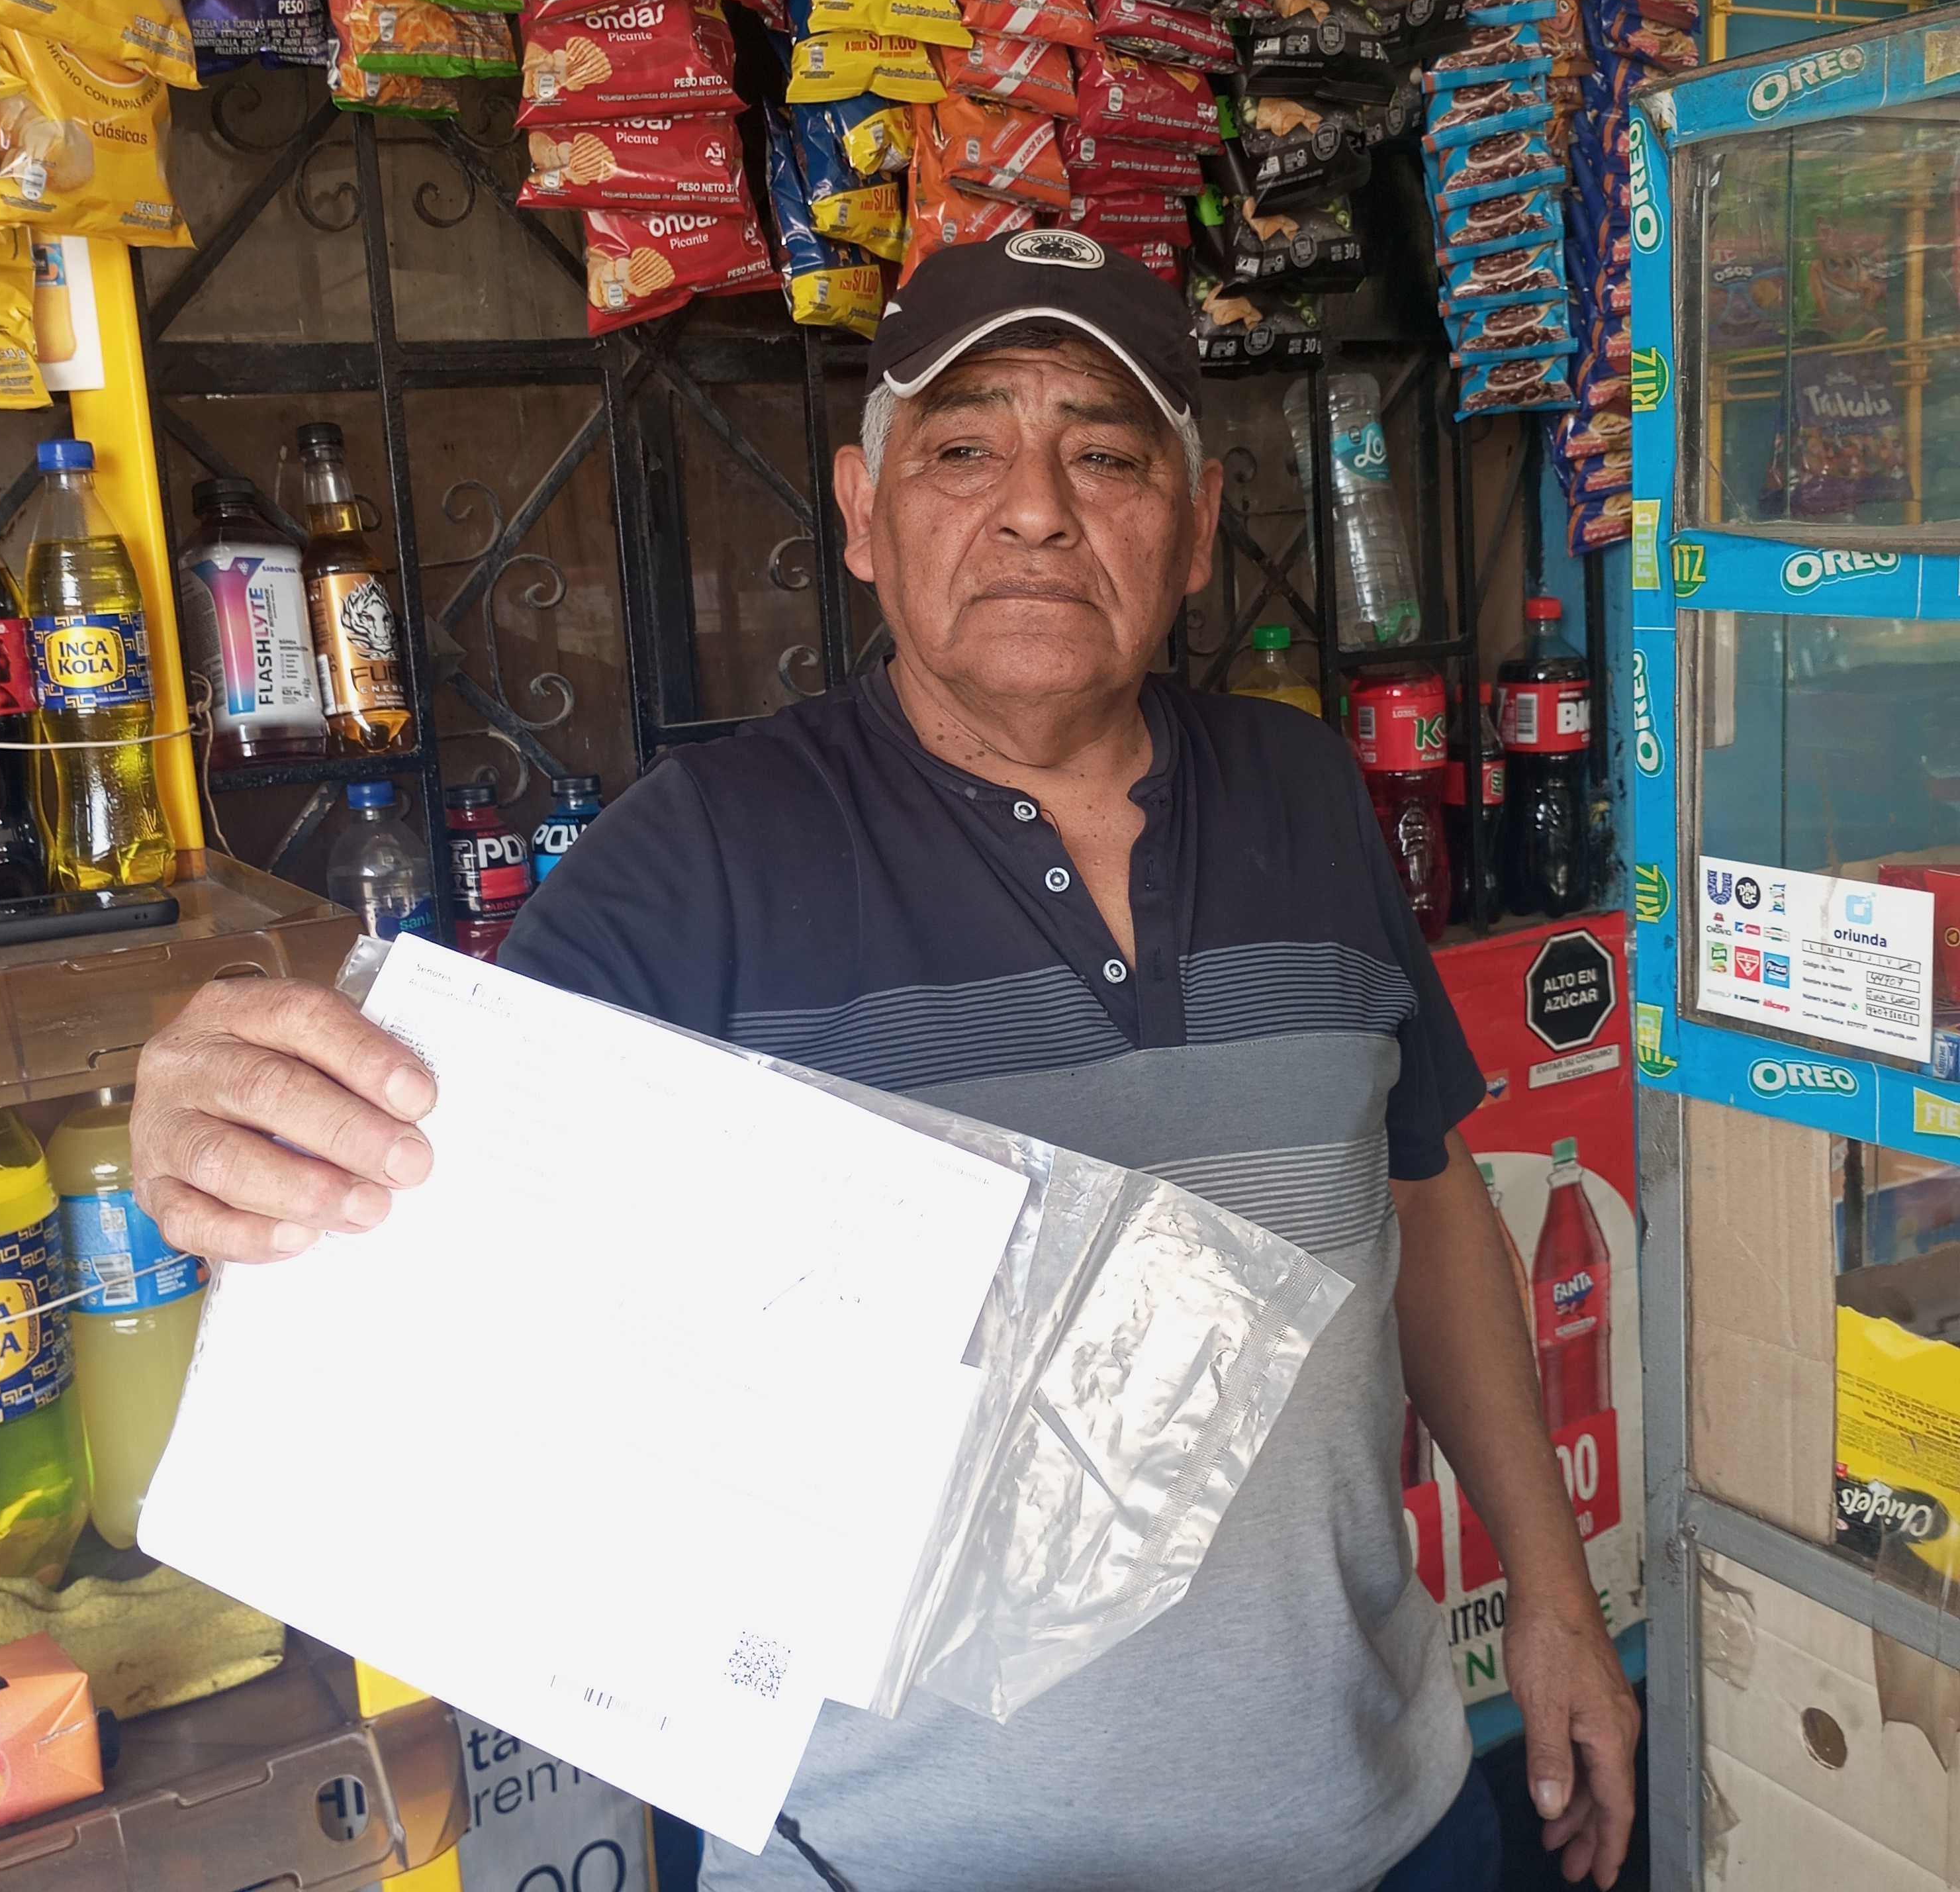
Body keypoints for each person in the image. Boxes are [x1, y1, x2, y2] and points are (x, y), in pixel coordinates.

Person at [129, 234, 1638, 1892]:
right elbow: (409, 1216)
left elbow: (1422, 1201)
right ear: (861, 514)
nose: (1038, 508)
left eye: (1108, 455)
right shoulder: (699, 859)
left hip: (1372, 1821)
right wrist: (231, 1121)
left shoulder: (1307, 793)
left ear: (1201, 528)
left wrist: (1554, 1593)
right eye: (964, 448)